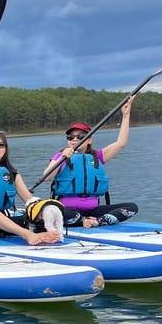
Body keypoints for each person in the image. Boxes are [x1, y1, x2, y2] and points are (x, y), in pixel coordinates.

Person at [42, 96, 138, 228]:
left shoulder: (97, 156)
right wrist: (61, 158)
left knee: (131, 207)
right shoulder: (60, 156)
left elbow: (121, 143)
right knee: (54, 211)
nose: (75, 139)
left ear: (89, 140)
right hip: (68, 210)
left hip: (93, 211)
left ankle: (97, 221)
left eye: (80, 136)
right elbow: (47, 177)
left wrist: (126, 115)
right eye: (71, 137)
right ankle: (82, 221)